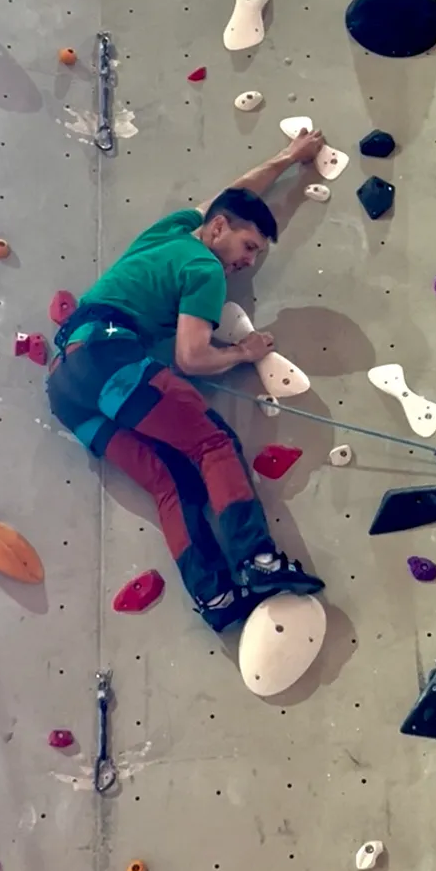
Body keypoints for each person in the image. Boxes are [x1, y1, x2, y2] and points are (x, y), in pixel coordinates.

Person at [46, 129, 327, 631]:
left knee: (170, 478)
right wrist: (244, 351)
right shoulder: (204, 268)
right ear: (218, 229)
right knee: (212, 444)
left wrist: (288, 157)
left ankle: (215, 597)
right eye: (247, 246)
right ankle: (258, 562)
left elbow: (235, 193)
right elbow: (192, 358)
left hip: (66, 386)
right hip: (109, 359)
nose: (248, 261)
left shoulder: (171, 232)